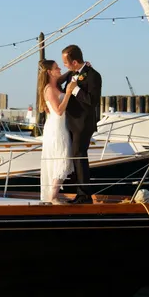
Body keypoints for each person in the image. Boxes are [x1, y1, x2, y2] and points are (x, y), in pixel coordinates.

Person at [59, 44, 102, 204]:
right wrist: (69, 73)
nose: (64, 65)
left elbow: (93, 100)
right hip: (71, 123)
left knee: (80, 155)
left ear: (75, 62)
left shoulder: (93, 75)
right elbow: (58, 84)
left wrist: (76, 90)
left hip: (83, 123)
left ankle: (85, 195)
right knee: (74, 156)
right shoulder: (71, 74)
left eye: (65, 62)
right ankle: (79, 193)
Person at [37, 59, 76, 204]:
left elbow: (66, 75)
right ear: (49, 72)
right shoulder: (49, 89)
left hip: (61, 127)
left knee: (62, 159)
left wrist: (76, 69)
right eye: (56, 67)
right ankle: (53, 196)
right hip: (56, 128)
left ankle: (53, 195)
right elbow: (59, 111)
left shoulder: (55, 84)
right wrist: (68, 93)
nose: (59, 69)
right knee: (62, 159)